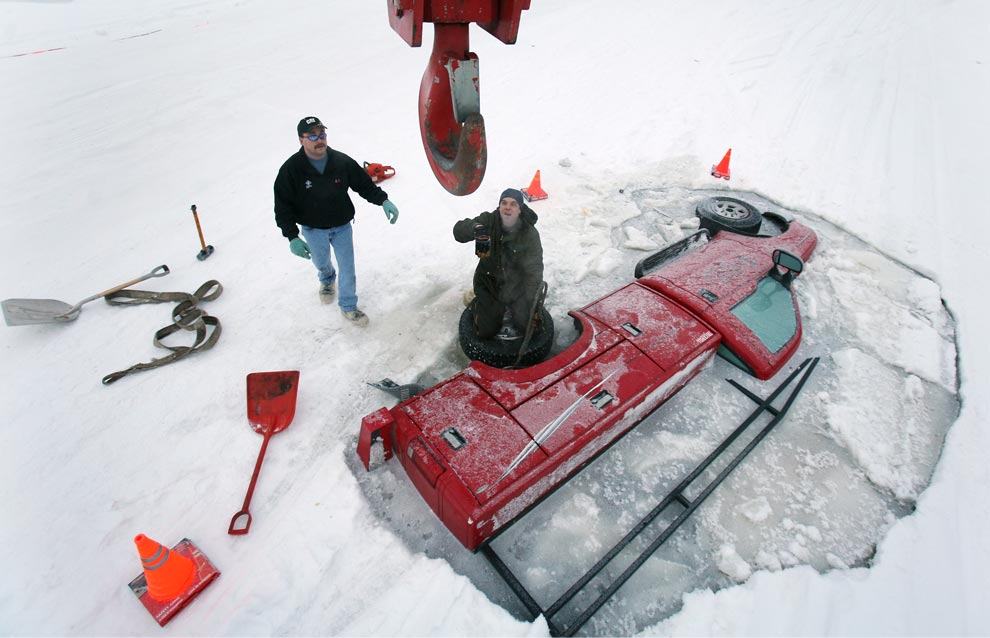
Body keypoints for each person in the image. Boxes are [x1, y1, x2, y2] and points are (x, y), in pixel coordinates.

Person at [273, 116, 400, 327]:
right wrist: (292, 237)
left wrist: (384, 201)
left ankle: (348, 305)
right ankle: (326, 279)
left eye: (322, 133)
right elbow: (282, 206)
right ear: (301, 140)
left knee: (348, 267)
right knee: (321, 261)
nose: (319, 139)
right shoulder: (291, 170)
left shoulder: (341, 161)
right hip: (313, 230)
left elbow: (364, 185)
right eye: (312, 135)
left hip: (342, 227)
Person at [453, 188, 544, 340]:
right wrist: (475, 228)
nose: (508, 207)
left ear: (520, 209)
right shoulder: (488, 221)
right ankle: (478, 303)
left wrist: (534, 303)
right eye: (504, 203)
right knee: (486, 331)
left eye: (513, 204)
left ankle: (515, 309)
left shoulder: (529, 233)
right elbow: (458, 231)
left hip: (517, 286)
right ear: (499, 206)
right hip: (489, 283)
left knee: (531, 329)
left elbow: (534, 270)